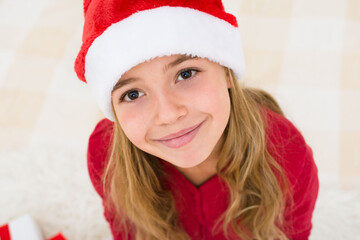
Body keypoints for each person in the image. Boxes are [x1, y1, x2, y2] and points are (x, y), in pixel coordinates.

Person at [74, 1, 319, 239]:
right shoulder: (106, 158)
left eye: (185, 74)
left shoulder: (288, 156)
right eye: (133, 94)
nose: (169, 115)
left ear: (225, 71)